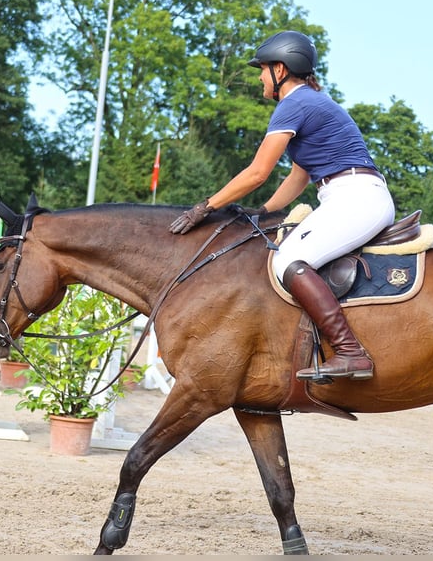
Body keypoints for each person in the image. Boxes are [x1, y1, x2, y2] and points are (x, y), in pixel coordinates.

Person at [169, 30, 395, 382]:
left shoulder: (295, 104)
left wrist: (205, 207)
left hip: (356, 196)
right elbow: (298, 177)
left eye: (262, 69)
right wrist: (264, 211)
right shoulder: (310, 104)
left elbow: (258, 172)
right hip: (347, 193)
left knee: (289, 260)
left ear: (280, 69)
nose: (259, 77)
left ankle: (351, 352)